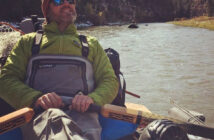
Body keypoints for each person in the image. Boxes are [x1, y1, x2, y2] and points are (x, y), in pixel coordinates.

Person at [0, 0, 118, 139]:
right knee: (54, 117)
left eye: (71, 1)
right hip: (40, 116)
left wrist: (92, 99)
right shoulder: (27, 43)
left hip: (85, 116)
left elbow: (110, 81)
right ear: (47, 8)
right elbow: (5, 80)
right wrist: (35, 98)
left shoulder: (92, 44)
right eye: (59, 1)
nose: (67, 4)